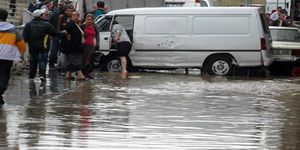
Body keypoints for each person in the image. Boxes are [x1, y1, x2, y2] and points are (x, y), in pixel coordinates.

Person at [23, 9, 66, 82]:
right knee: (42, 61)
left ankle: (31, 77)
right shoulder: (46, 24)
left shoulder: (28, 24)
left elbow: (25, 37)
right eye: (44, 14)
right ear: (40, 15)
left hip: (32, 46)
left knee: (33, 61)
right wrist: (64, 34)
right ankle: (42, 75)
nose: (46, 16)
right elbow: (55, 33)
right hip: (44, 46)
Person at [0, 8, 26, 105]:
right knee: (4, 75)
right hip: (7, 57)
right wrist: (21, 54)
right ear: (6, 17)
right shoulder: (13, 29)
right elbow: (21, 44)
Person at [64, 12, 85, 80]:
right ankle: (80, 74)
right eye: (74, 16)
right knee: (76, 60)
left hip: (74, 46)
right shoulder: (70, 24)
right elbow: (68, 32)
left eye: (77, 16)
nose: (76, 17)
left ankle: (68, 75)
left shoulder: (76, 24)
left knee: (70, 61)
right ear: (71, 17)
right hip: (73, 46)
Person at [81, 14, 98, 79]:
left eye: (91, 20)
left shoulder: (93, 27)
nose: (89, 21)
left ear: (93, 21)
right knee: (84, 60)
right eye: (88, 19)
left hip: (91, 45)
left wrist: (95, 44)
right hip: (85, 45)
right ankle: (83, 74)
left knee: (89, 60)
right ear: (85, 20)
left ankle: (87, 74)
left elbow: (94, 36)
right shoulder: (82, 26)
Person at [57, 4, 74, 71]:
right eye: (68, 11)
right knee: (63, 52)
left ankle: (68, 67)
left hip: (72, 38)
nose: (69, 12)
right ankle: (63, 66)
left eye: (70, 11)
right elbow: (59, 28)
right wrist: (63, 33)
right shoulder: (62, 17)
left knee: (70, 53)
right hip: (63, 38)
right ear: (65, 11)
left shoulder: (74, 17)